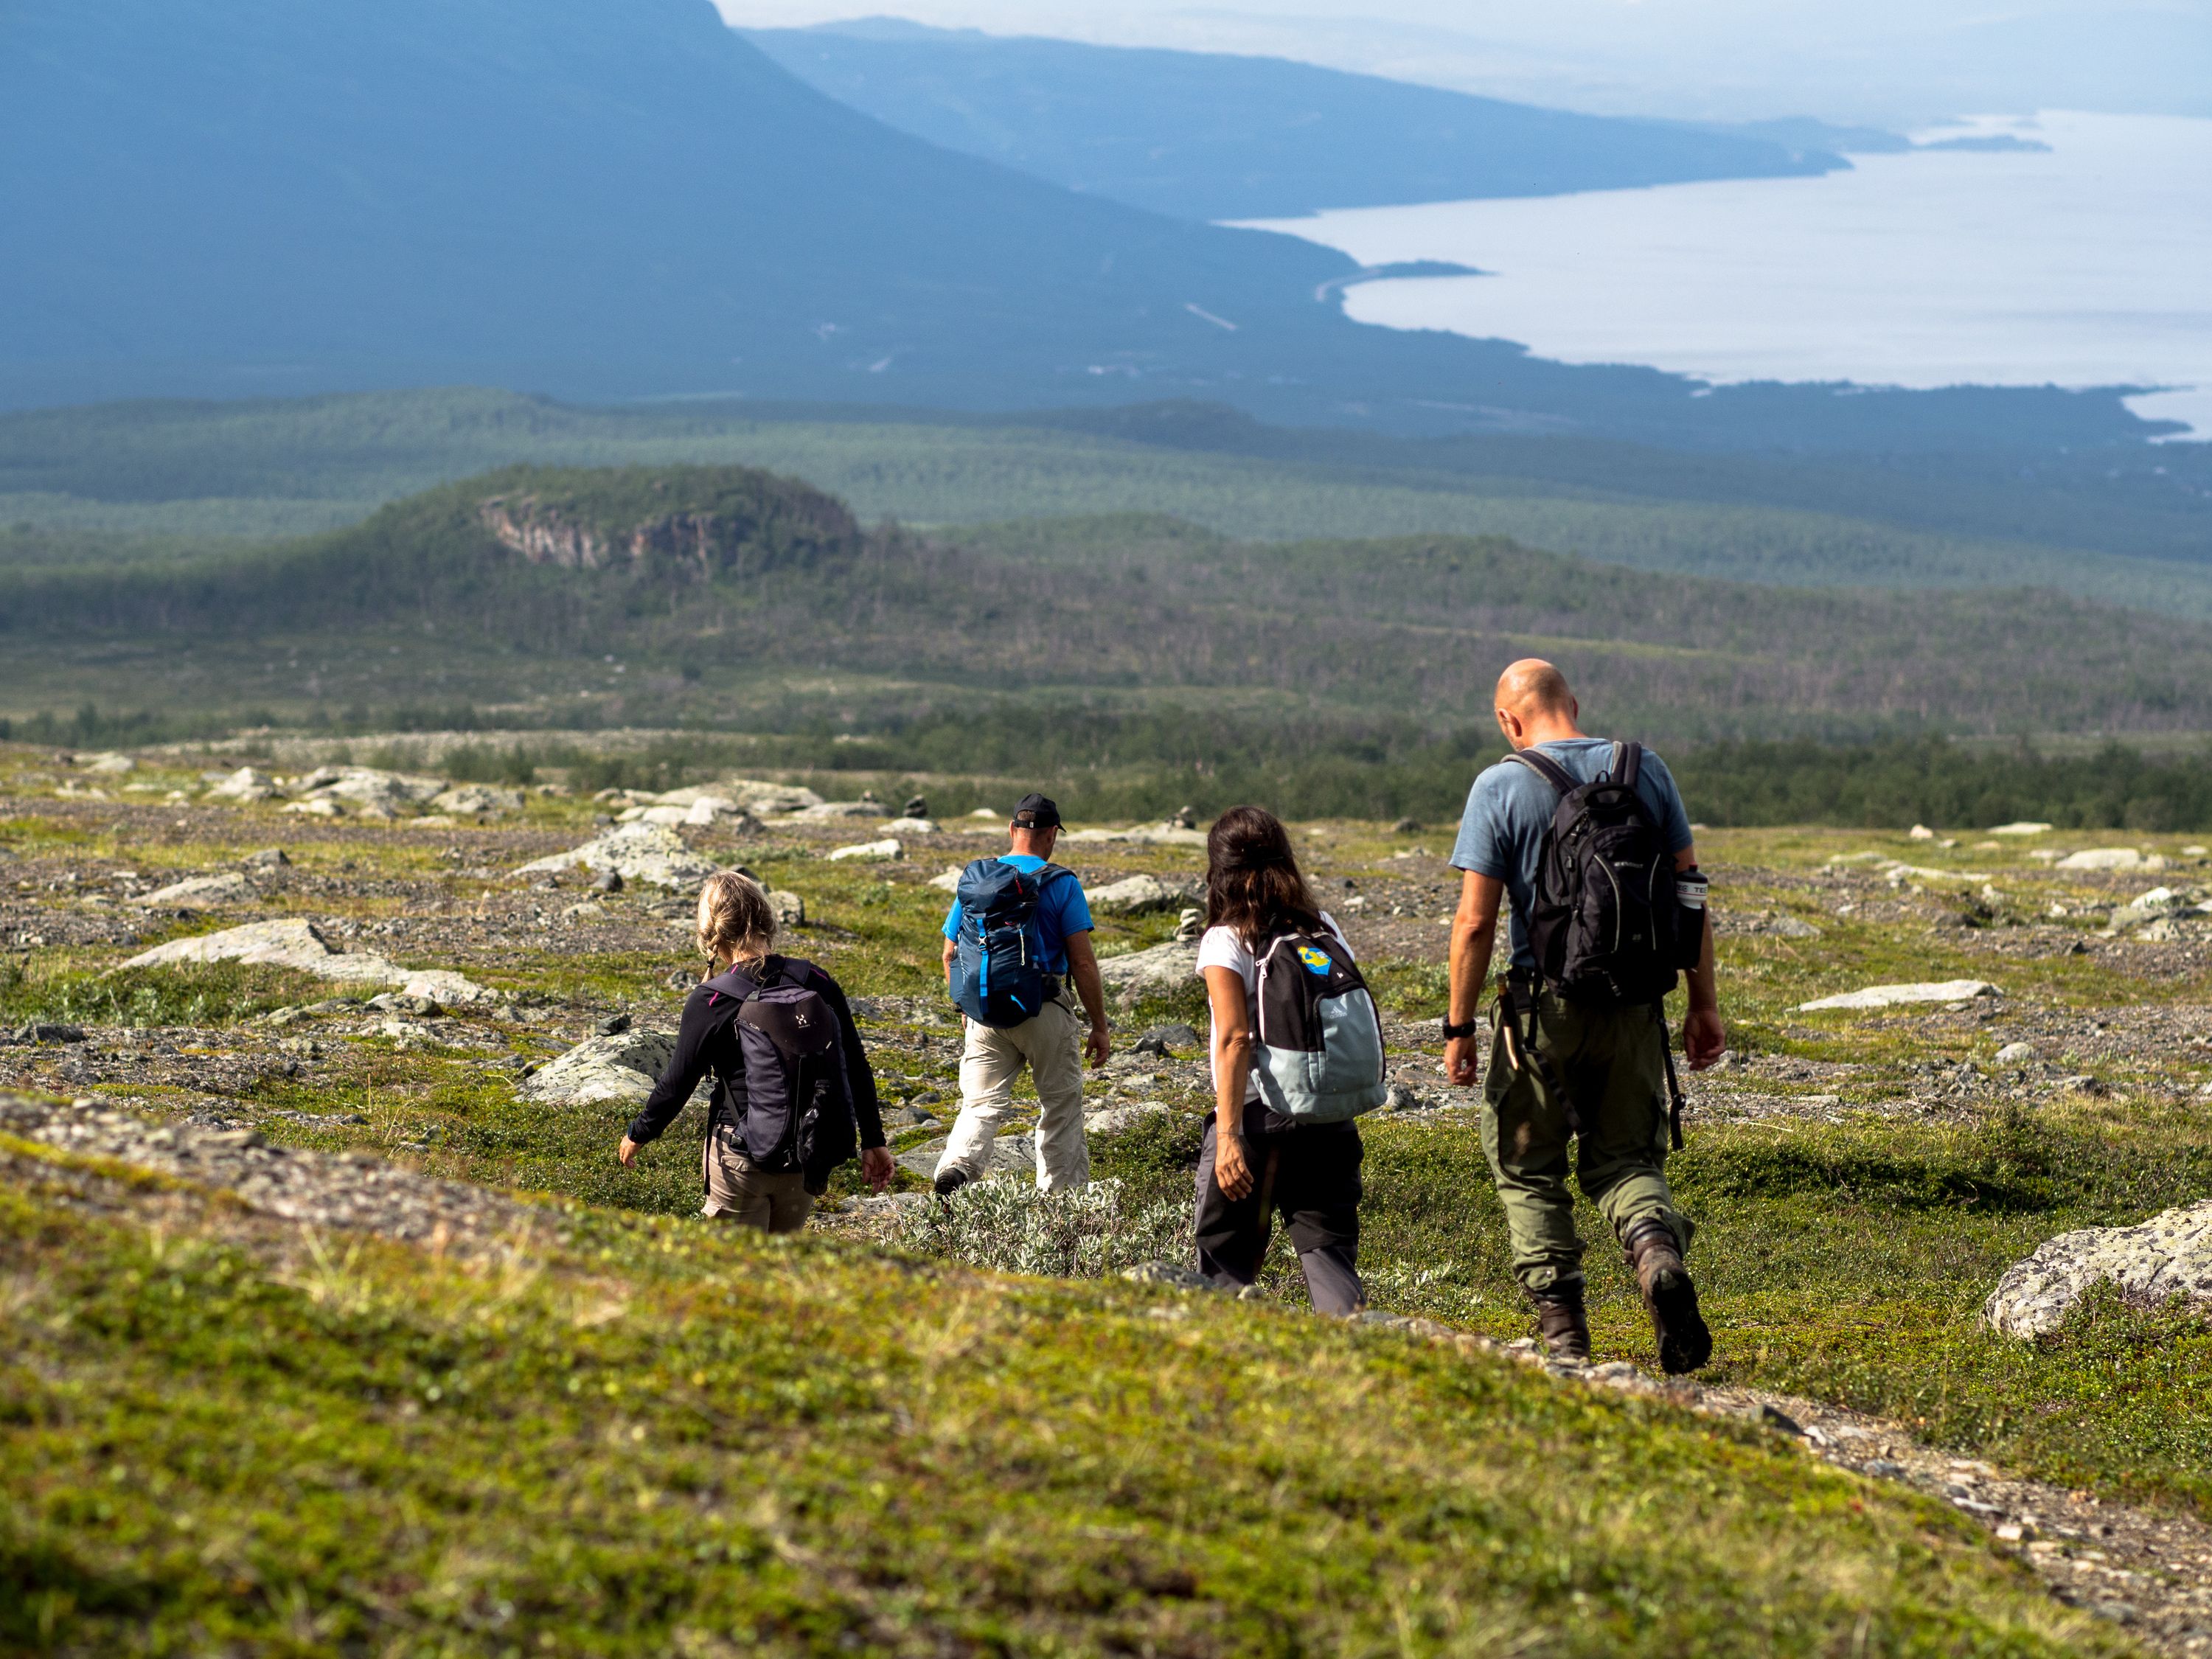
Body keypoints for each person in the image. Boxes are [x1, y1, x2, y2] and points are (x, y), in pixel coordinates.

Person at [1443, 659, 1726, 1371]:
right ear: (1573, 702)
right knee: (1628, 1158)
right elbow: (1691, 894)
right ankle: (1656, 1254)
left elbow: (1475, 924)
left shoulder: (1499, 786)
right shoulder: (1645, 769)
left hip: (1541, 1015)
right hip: (1635, 1007)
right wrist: (1703, 1004)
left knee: (1529, 1168)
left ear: (1509, 720)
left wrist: (1459, 1027)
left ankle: (1566, 1339)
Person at [619, 869, 894, 1229]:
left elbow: (677, 1082)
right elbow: (855, 1065)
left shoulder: (711, 999)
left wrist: (638, 1133)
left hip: (738, 1159)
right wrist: (873, 1140)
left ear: (711, 931)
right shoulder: (817, 981)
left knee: (736, 1263)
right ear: (766, 917)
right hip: (805, 1157)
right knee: (779, 1262)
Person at [1193, 805, 1370, 1314]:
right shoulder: (1322, 927)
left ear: (1219, 869)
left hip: (1255, 1122)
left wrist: (1228, 1137)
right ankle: (1352, 1351)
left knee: (1225, 1263)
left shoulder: (1226, 938)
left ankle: (1224, 1355)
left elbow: (1235, 1038)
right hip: (1328, 1119)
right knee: (1330, 1257)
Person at [933, 792, 1110, 1196]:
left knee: (980, 1105)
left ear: (1012, 829)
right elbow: (1082, 963)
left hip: (984, 1011)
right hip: (1044, 1008)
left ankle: (957, 1168)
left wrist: (966, 1005)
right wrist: (1099, 1026)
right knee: (1060, 1107)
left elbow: (949, 953)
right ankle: (1060, 1202)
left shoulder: (979, 880)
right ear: (1052, 835)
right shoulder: (1063, 883)